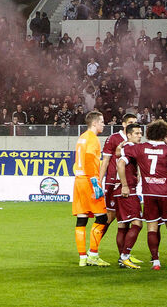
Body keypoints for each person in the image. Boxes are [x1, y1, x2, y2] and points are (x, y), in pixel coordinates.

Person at [119, 119, 167, 270]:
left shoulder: (140, 148)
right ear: (164, 134)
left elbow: (123, 152)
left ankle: (156, 262)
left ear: (149, 133)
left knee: (152, 228)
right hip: (166, 193)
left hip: (149, 194)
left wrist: (122, 144)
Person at [72, 111, 109, 267]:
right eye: (101, 121)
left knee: (82, 219)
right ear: (94, 123)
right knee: (102, 218)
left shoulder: (82, 137)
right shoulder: (93, 139)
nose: (103, 124)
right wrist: (95, 183)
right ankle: (93, 255)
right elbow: (89, 160)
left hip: (79, 181)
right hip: (89, 181)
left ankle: (82, 258)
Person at [99, 113, 138, 260]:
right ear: (123, 124)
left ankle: (124, 256)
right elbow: (106, 161)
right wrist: (99, 181)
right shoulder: (114, 138)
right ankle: (93, 250)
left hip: (126, 184)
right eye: (130, 122)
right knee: (109, 218)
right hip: (113, 183)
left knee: (124, 221)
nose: (133, 124)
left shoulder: (134, 139)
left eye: (135, 122)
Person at [112, 123, 144, 269]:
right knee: (137, 223)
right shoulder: (130, 148)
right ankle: (125, 256)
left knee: (122, 226)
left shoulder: (125, 147)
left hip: (118, 191)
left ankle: (122, 258)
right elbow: (120, 163)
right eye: (136, 133)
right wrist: (125, 185)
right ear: (129, 135)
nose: (139, 135)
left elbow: (119, 155)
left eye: (140, 133)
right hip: (127, 191)